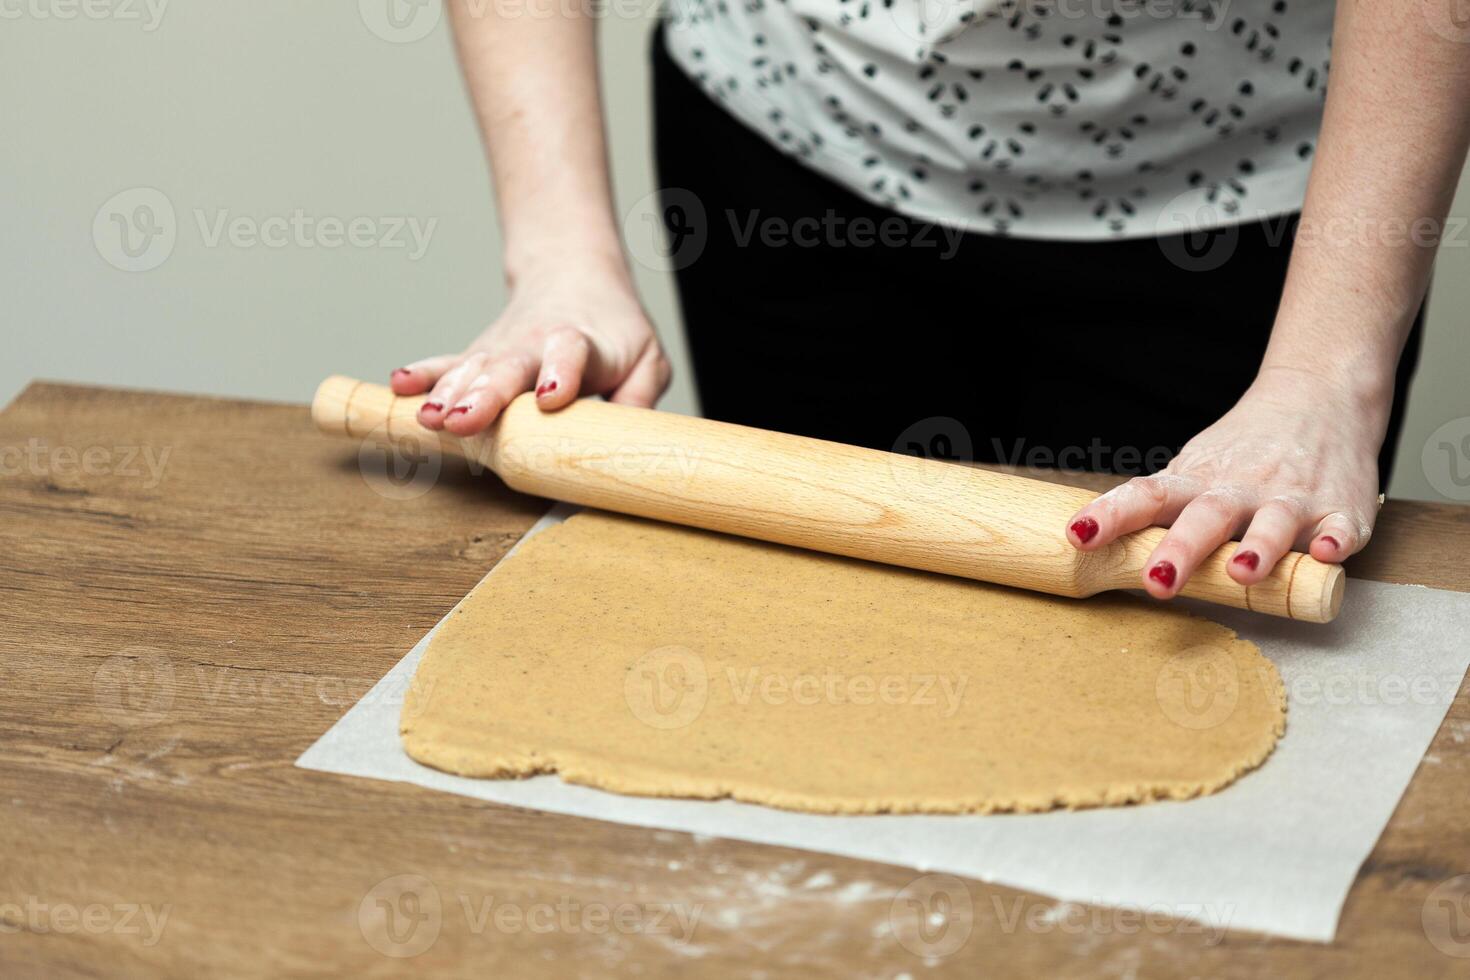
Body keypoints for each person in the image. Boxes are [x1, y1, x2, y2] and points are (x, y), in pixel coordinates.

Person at [388, 0, 1469, 600]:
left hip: (1231, 185)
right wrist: (560, 258)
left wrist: (1326, 373)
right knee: (802, 628)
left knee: (1177, 627)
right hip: (785, 130)